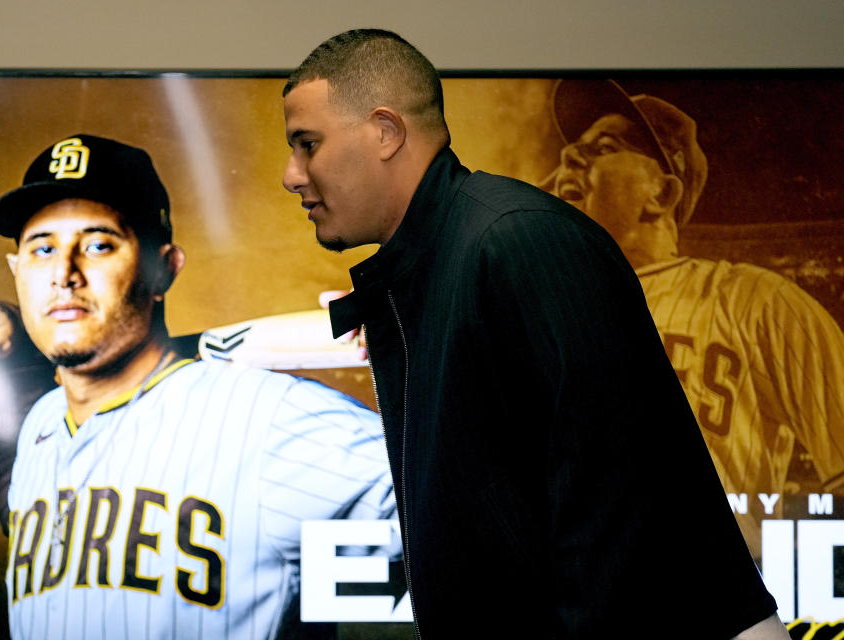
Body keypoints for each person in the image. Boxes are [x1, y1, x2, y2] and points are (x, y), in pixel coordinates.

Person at [281, 29, 788, 638]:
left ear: (386, 133)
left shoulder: (519, 244)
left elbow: (623, 533)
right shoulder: (452, 260)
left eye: (307, 144)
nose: (291, 174)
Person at [0, 134, 398, 640]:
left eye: (99, 244)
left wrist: (441, 338)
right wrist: (14, 354)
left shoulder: (272, 423)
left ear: (164, 268)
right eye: (41, 249)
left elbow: (465, 539)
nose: (63, 274)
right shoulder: (42, 426)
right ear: (17, 271)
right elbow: (27, 512)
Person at [542, 78, 844, 560]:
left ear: (661, 194)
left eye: (603, 147)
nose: (568, 161)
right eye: (568, 154)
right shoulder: (532, 320)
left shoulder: (753, 301)